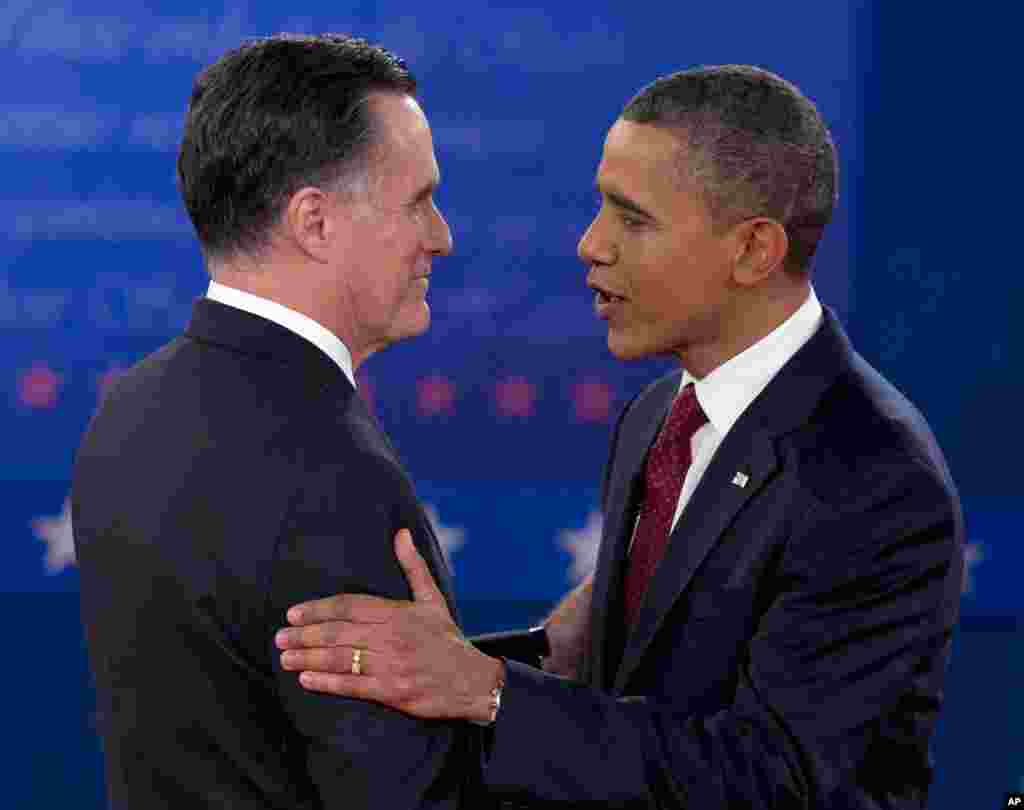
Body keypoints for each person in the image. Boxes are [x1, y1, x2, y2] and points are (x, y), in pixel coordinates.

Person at [274, 65, 964, 808]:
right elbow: (632, 694)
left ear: (754, 251)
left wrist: (493, 691)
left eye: (632, 219)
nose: (590, 245)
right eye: (600, 208)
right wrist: (494, 662)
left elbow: (780, 782)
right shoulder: (657, 420)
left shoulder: (872, 475)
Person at [71, 33, 485, 808]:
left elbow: (251, 698)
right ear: (316, 223)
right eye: (419, 200)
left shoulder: (130, 407)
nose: (442, 235)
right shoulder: (333, 476)